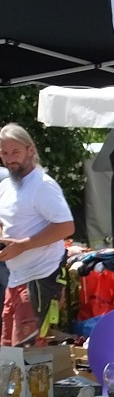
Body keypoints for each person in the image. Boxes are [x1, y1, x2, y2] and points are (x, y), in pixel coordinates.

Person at [0, 124, 74, 347]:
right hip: (16, 278)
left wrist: (23, 245)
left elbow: (66, 226)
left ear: (30, 150)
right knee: (8, 353)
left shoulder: (42, 185)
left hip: (40, 279)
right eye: (4, 153)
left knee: (27, 352)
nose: (10, 159)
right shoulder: (6, 185)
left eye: (15, 152)